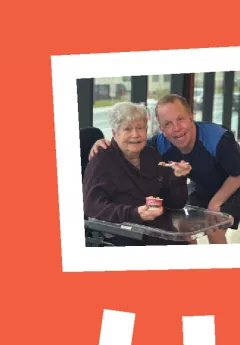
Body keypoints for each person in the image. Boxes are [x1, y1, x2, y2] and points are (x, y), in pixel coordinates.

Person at [88, 94, 240, 244]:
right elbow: (92, 205)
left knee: (215, 228)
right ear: (161, 129)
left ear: (191, 117)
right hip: (129, 229)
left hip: (233, 184)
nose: (176, 128)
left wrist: (213, 201)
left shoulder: (219, 138)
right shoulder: (152, 147)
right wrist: (103, 143)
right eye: (168, 124)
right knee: (186, 231)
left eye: (140, 128)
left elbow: (237, 174)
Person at [83, 102, 191, 246]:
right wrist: (135, 213)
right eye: (127, 129)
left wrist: (178, 178)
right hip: (122, 234)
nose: (135, 134)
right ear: (115, 133)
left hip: (157, 231)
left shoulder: (151, 155)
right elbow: (92, 206)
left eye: (140, 128)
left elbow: (175, 204)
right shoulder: (101, 160)